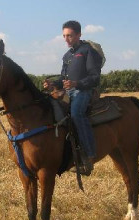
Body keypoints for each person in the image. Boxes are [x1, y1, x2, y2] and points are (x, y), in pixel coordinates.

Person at [43, 20, 101, 175]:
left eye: (69, 35)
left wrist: (77, 83)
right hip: (68, 92)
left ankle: (89, 156)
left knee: (76, 114)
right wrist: (52, 84)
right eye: (64, 36)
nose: (66, 39)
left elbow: (95, 77)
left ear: (79, 34)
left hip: (84, 91)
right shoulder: (67, 55)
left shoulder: (88, 51)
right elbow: (63, 78)